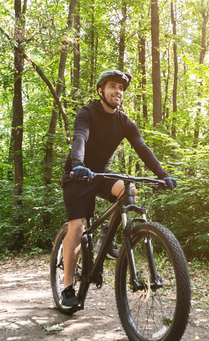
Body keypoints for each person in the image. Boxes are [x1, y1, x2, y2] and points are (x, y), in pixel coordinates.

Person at [60, 69, 176, 307]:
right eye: (113, 86)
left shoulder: (124, 122)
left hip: (101, 173)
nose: (118, 91)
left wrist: (163, 175)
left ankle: (107, 237)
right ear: (101, 91)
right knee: (78, 227)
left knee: (129, 190)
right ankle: (67, 286)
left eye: (121, 88)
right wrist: (79, 165)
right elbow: (80, 138)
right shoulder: (87, 113)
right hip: (78, 173)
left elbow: (143, 149)